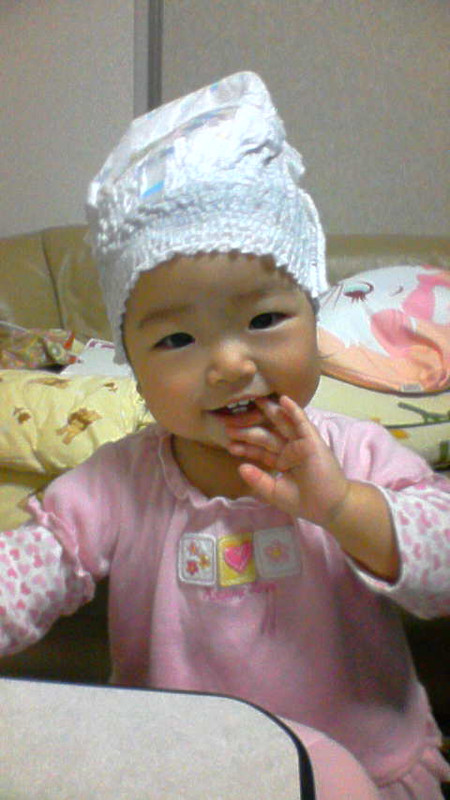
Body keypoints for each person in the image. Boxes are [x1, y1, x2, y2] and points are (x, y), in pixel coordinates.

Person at [1, 72, 449, 798]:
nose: (231, 364)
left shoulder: (357, 453)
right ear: (134, 367)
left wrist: (342, 507)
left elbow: (443, 563)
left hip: (364, 763)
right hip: (187, 773)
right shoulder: (120, 482)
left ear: (316, 322)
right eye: (176, 339)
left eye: (265, 320)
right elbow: (28, 568)